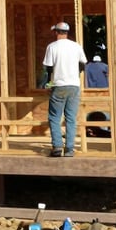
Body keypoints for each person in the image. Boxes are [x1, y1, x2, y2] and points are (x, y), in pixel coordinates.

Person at [43, 21, 87, 157]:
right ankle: (69, 148)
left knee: (55, 117)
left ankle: (57, 146)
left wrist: (49, 81)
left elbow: (48, 67)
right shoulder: (76, 46)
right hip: (74, 85)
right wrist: (74, 75)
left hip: (59, 85)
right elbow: (83, 64)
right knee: (71, 118)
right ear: (67, 33)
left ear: (56, 32)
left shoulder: (52, 47)